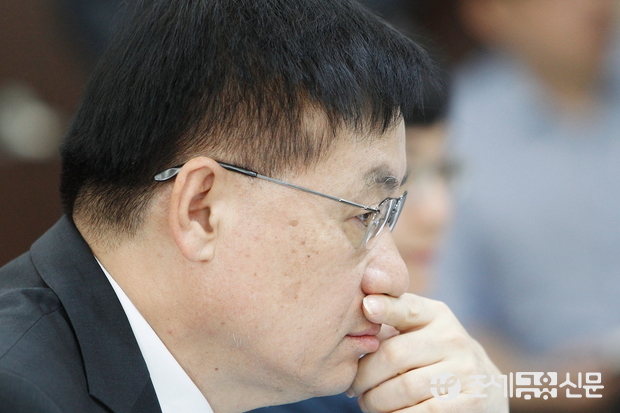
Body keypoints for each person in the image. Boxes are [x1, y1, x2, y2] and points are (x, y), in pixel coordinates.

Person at [0, 1, 507, 412]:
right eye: (363, 215)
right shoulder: (20, 392)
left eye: (390, 215)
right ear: (201, 211)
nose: (394, 276)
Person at [433, 0, 620, 411]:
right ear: (489, 13)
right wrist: (556, 390)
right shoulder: (448, 135)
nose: (596, 6)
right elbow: (446, 343)